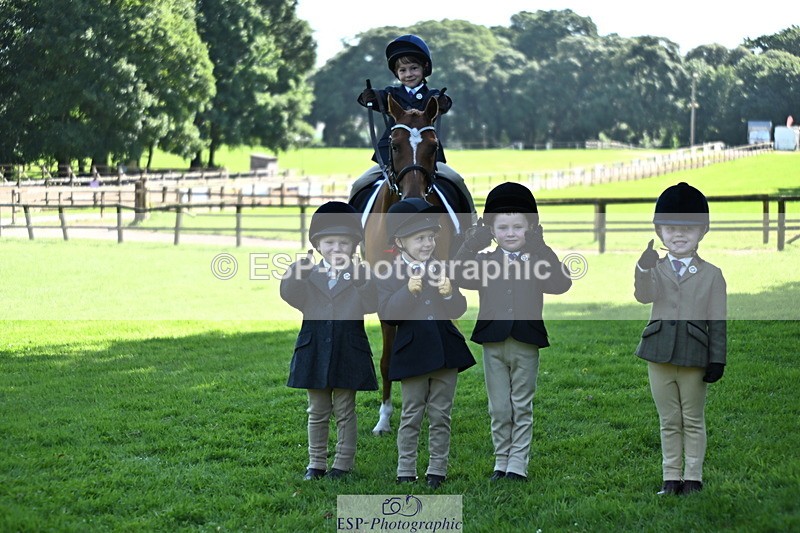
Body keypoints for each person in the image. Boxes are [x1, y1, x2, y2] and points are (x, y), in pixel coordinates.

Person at [452, 182, 572, 481]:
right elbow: (455, 274)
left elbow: (560, 283)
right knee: (499, 408)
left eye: (518, 227)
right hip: (493, 343)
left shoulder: (537, 261)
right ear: (491, 231)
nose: (510, 233)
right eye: (502, 227)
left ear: (531, 228)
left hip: (526, 342)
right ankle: (501, 461)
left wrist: (542, 249)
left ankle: (517, 465)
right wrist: (469, 245)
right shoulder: (483, 262)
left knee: (522, 405)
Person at [634, 182, 727, 496]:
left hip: (694, 357)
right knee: (669, 420)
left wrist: (718, 358)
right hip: (658, 353)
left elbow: (718, 321)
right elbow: (644, 295)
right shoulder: (656, 269)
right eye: (671, 228)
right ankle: (671, 478)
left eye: (688, 228)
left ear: (702, 231)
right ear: (660, 232)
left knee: (693, 419)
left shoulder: (713, 274)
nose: (679, 235)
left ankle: (693, 479)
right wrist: (642, 268)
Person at [377, 197, 476, 489]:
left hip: (446, 353)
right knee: (411, 415)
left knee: (441, 415)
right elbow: (387, 314)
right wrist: (407, 291)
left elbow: (458, 308)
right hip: (412, 355)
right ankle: (405, 468)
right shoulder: (388, 272)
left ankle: (437, 469)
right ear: (400, 241)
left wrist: (449, 294)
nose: (427, 244)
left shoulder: (441, 267)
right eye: (419, 238)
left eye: (431, 237)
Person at [280, 201, 378, 481]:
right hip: (314, 352)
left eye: (344, 243)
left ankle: (343, 464)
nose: (337, 249)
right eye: (330, 243)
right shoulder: (309, 274)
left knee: (345, 410)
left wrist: (360, 278)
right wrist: (297, 271)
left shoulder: (361, 273)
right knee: (317, 410)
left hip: (349, 350)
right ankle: (316, 463)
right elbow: (290, 295)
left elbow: (372, 302)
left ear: (354, 247)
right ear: (318, 246)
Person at [351, 34, 475, 221]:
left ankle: (472, 222)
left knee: (456, 180)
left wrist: (443, 102)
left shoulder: (432, 95)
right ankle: (351, 232)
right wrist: (366, 97)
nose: (408, 74)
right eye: (402, 70)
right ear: (397, 73)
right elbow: (375, 99)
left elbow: (445, 103)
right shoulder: (391, 94)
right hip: (392, 157)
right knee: (359, 184)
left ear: (425, 68)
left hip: (426, 156)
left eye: (413, 68)